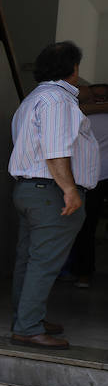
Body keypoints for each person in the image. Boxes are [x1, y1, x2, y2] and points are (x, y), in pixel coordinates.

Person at [8, 42, 98, 349]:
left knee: (29, 260)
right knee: (43, 263)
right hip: (50, 191)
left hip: (31, 190)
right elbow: (56, 150)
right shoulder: (57, 100)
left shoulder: (34, 98)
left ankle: (26, 318)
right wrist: (70, 190)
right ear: (73, 69)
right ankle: (28, 326)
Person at [68, 83, 108, 288]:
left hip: (93, 177)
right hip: (91, 177)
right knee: (86, 226)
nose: (100, 99)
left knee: (87, 226)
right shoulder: (79, 113)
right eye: (95, 95)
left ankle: (83, 274)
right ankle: (83, 273)